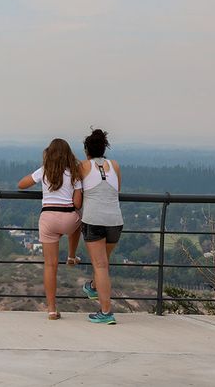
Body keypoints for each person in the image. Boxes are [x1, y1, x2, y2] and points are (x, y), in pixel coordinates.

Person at [18, 138, 82, 320]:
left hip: (47, 218)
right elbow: (77, 203)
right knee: (79, 222)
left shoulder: (45, 171)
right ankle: (71, 255)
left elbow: (21, 184)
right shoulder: (75, 173)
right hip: (69, 217)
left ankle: (52, 309)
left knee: (50, 266)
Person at [80, 128, 123, 325]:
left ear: (86, 150)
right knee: (103, 263)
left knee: (100, 265)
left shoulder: (82, 166)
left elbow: (78, 196)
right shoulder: (114, 165)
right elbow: (117, 190)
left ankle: (106, 312)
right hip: (115, 220)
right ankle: (92, 287)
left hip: (94, 219)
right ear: (104, 148)